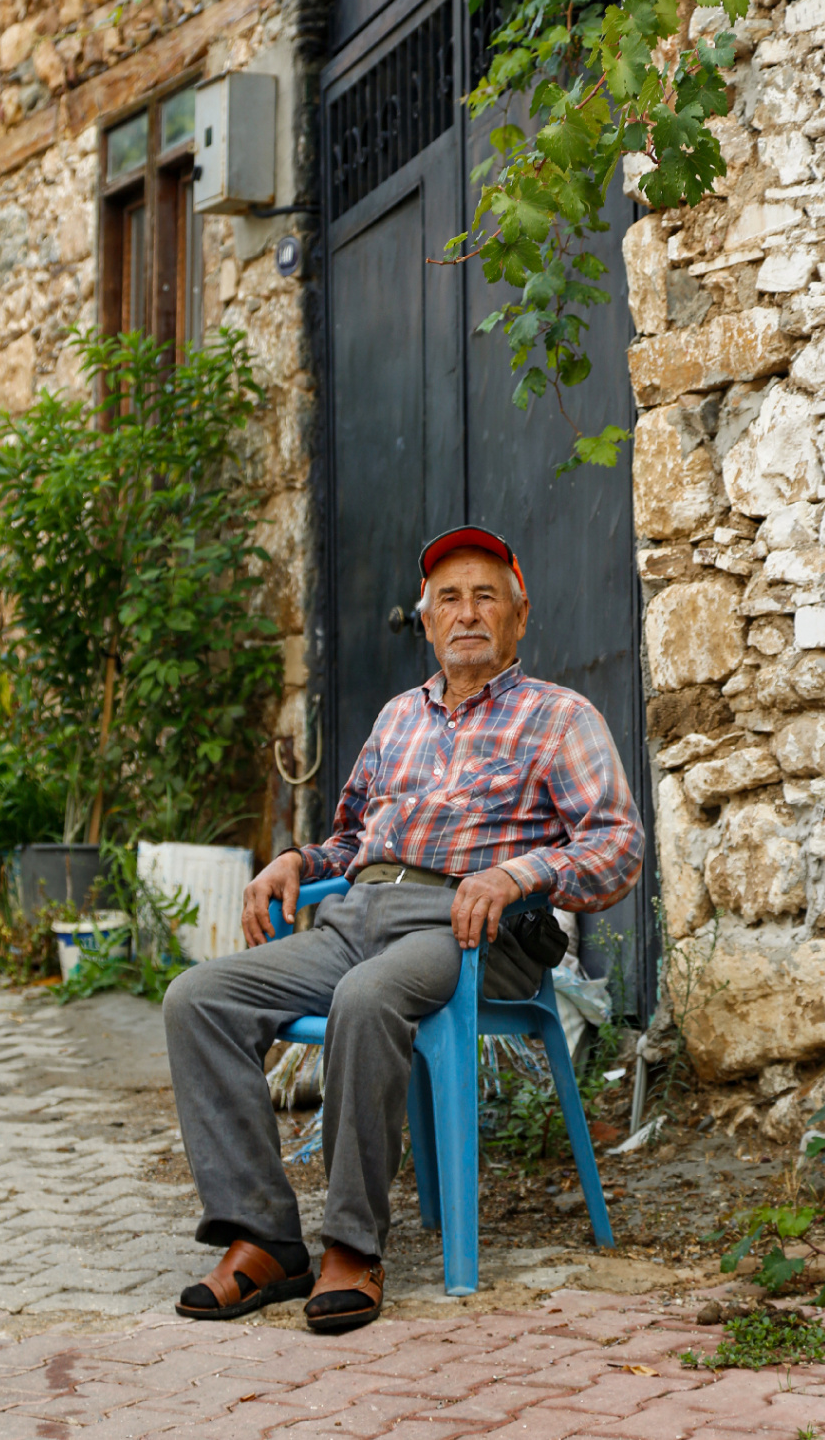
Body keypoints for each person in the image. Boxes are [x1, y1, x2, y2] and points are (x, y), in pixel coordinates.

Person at [164, 525, 644, 1333]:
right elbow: (353, 837)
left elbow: (618, 842)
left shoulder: (559, 717)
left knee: (366, 996)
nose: (467, 613)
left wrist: (520, 873)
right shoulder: (397, 719)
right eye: (448, 598)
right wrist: (295, 858)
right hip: (356, 916)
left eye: (486, 596)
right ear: (425, 621)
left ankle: (353, 1244)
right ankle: (264, 1240)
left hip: (473, 928)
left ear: (519, 616)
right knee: (198, 997)